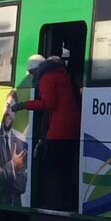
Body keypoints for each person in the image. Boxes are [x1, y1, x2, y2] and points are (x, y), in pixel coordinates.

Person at [12, 54, 80, 211]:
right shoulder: (62, 75)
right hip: (73, 126)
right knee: (65, 167)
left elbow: (48, 104)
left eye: (31, 74)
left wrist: (25, 104)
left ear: (35, 70)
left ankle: (54, 201)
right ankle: (66, 199)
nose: (32, 77)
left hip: (59, 129)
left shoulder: (47, 78)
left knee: (52, 166)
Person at [0, 90, 27, 206]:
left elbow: (22, 186)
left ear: (16, 115)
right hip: (1, 202)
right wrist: (12, 166)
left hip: (16, 205)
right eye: (7, 106)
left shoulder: (19, 142)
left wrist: (5, 173)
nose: (9, 112)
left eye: (14, 109)